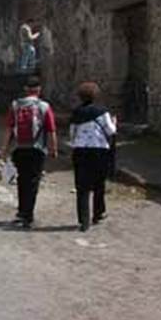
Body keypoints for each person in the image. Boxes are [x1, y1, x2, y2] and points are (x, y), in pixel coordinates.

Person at [1, 76, 58, 229]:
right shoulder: (44, 107)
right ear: (39, 89)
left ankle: (21, 211)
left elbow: (8, 129)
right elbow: (51, 130)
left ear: (26, 89)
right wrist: (53, 149)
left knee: (22, 179)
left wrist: (4, 150)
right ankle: (28, 215)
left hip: (20, 147)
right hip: (37, 148)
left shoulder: (15, 105)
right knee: (33, 182)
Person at [69, 82, 117, 231]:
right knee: (98, 184)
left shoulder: (76, 113)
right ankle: (98, 213)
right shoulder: (102, 112)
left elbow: (72, 135)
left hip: (81, 151)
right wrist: (114, 122)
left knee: (82, 186)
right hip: (99, 151)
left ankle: (84, 220)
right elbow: (110, 131)